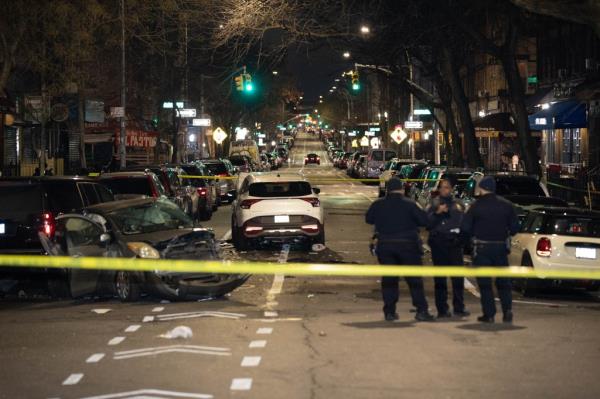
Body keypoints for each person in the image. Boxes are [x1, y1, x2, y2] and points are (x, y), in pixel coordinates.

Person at [366, 177, 435, 322]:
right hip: (408, 246)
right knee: (414, 279)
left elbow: (369, 219)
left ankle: (390, 312)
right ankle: (421, 310)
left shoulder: (378, 204)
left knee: (389, 280)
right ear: (401, 189)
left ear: (387, 189)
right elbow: (424, 221)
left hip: (386, 246)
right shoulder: (410, 204)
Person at [461, 176, 519, 323]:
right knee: (503, 282)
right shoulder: (507, 205)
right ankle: (507, 311)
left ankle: (489, 313)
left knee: (485, 283)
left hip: (482, 248)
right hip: (500, 247)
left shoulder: (476, 206)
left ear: (481, 189)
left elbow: (465, 228)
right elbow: (515, 228)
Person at [426, 178, 469, 318]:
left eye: (447, 187)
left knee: (457, 278)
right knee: (440, 279)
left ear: (451, 189)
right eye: (442, 187)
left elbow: (465, 225)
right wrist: (437, 213)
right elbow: (427, 224)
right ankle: (442, 309)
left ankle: (459, 307)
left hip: (454, 243)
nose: (444, 190)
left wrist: (462, 240)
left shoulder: (458, 205)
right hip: (439, 243)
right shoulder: (433, 204)